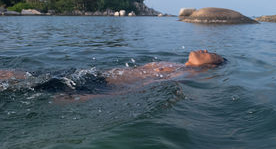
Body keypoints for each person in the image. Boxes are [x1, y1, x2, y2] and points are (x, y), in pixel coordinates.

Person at [0, 50, 225, 101]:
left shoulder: (185, 73)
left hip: (99, 85)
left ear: (210, 67)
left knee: (21, 84)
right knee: (17, 76)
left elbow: (145, 86)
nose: (204, 49)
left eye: (209, 53)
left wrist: (90, 97)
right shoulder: (175, 63)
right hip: (91, 75)